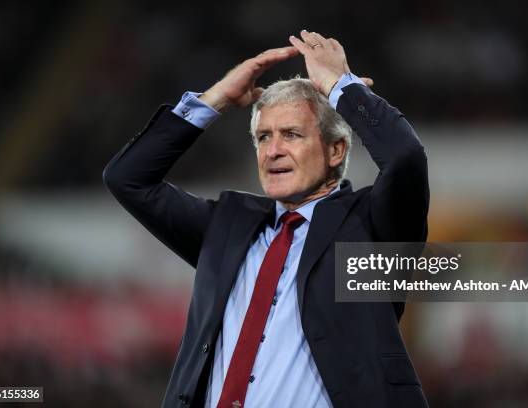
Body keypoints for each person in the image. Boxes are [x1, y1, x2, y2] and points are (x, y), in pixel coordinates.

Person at [103, 30, 429, 408]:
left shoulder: (371, 229)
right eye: (262, 137)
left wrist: (343, 87)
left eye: (291, 134)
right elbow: (128, 179)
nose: (273, 151)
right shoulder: (227, 227)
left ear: (336, 150)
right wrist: (217, 99)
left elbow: (404, 158)